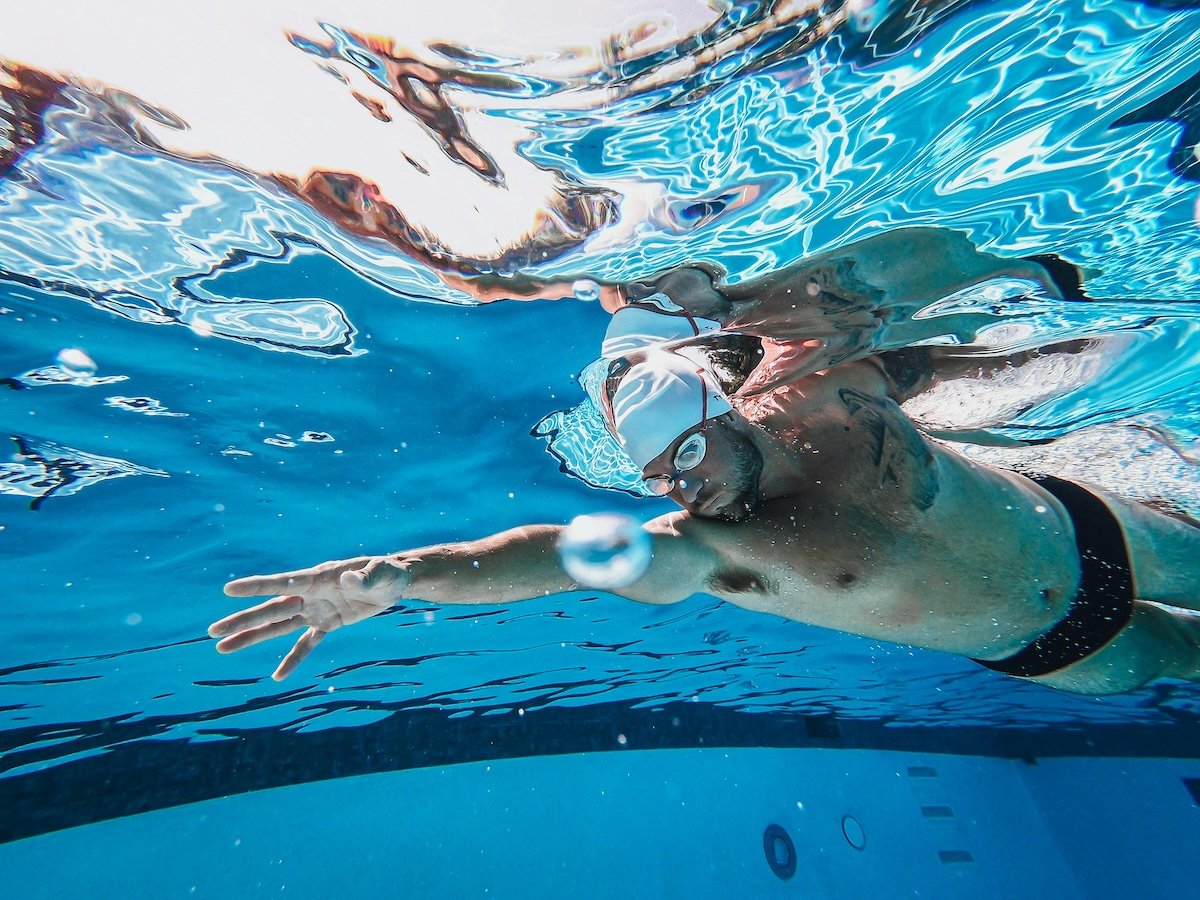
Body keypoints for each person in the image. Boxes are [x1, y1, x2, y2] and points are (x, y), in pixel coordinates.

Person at [209, 230, 1200, 695]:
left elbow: (911, 298)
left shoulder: (830, 394)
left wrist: (1033, 283)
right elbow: (556, 555)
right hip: (1058, 651)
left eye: (684, 455)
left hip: (1094, 528)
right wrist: (400, 578)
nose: (678, 487)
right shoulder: (717, 550)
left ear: (725, 416)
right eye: (659, 479)